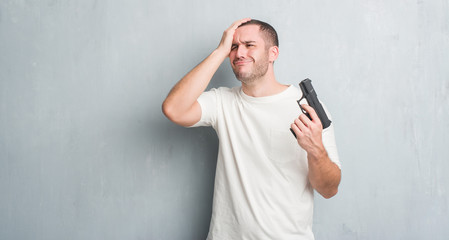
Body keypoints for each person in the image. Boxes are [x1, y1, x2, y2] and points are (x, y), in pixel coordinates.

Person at [162, 18, 341, 240]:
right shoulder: (222, 102)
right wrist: (220, 51)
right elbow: (173, 109)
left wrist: (316, 150)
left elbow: (329, 189)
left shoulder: (309, 110)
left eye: (249, 45)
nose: (239, 53)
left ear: (273, 53)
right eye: (234, 47)